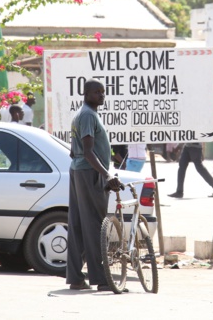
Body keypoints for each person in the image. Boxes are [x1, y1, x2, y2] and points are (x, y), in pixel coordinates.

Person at [66, 79, 122, 292]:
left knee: (79, 225)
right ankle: (101, 279)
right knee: (96, 226)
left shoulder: (81, 114)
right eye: (97, 92)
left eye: (103, 92)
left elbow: (74, 151)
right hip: (89, 173)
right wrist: (107, 175)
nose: (101, 96)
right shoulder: (88, 115)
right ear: (86, 93)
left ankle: (76, 278)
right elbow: (88, 152)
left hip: (78, 170)